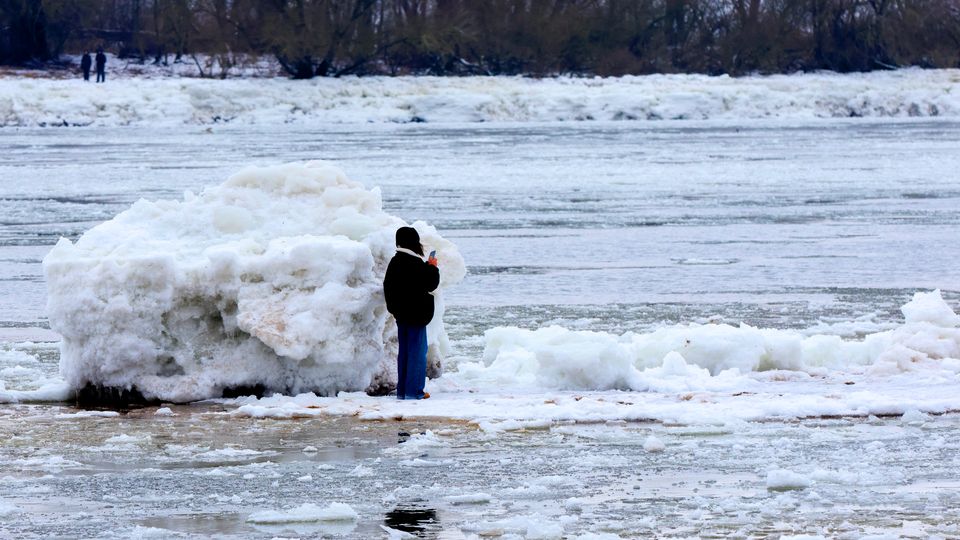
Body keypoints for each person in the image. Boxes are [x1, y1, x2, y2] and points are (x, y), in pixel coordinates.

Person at [383, 227, 439, 400]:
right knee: (417, 353)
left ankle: (403, 390)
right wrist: (432, 267)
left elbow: (387, 287)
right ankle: (414, 391)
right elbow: (431, 283)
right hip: (417, 315)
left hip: (401, 315)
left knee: (405, 353)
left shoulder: (395, 261)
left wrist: (394, 310)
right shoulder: (414, 263)